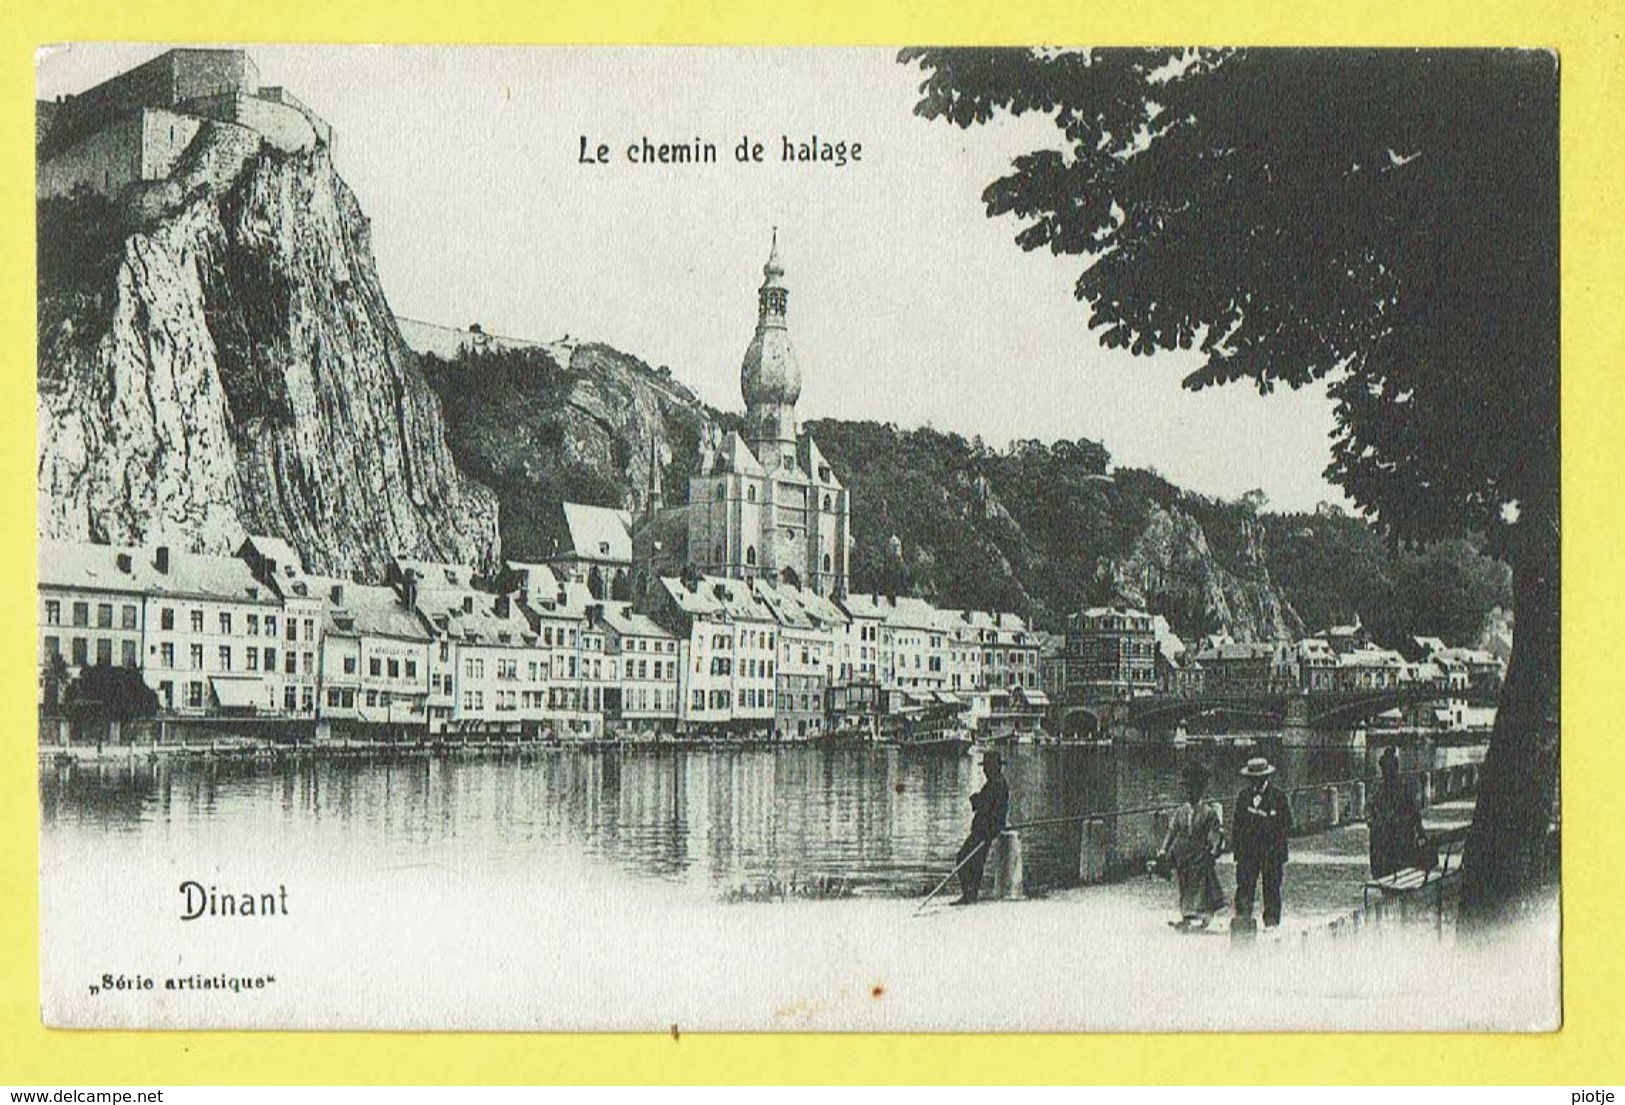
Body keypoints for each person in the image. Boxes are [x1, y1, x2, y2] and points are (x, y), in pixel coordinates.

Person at [1155, 763, 1227, 930]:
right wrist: (1164, 850)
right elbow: (1172, 831)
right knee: (1185, 884)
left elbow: (1214, 833)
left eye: (1193, 789)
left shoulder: (1208, 812)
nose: (1189, 793)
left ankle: (1202, 916)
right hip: (1183, 854)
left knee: (1202, 885)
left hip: (1200, 853)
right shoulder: (1180, 812)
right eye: (1187, 789)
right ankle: (1186, 916)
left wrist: (1214, 847)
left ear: (1200, 790)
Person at [1231, 756, 1293, 927]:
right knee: (1244, 887)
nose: (1254, 783)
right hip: (1248, 853)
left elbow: (1287, 824)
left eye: (1257, 779)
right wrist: (1236, 851)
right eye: (1251, 779)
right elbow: (1237, 825)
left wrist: (1277, 846)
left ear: (1265, 777)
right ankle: (1243, 921)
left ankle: (1271, 923)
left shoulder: (1278, 797)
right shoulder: (1243, 796)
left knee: (1272, 888)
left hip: (1271, 853)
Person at [952, 750, 1010, 905]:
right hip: (985, 829)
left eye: (987, 767)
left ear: (994, 767)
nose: (984, 770)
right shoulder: (996, 783)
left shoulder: (996, 785)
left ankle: (969, 895)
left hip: (984, 830)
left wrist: (976, 800)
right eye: (985, 767)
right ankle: (971, 895)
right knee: (974, 862)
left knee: (963, 859)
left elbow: (986, 807)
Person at [1366, 746, 1432, 878]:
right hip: (1400, 845)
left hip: (1389, 849)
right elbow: (1415, 815)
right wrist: (1420, 832)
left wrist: (1373, 820)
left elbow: (1370, 810)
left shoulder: (1382, 792)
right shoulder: (1401, 790)